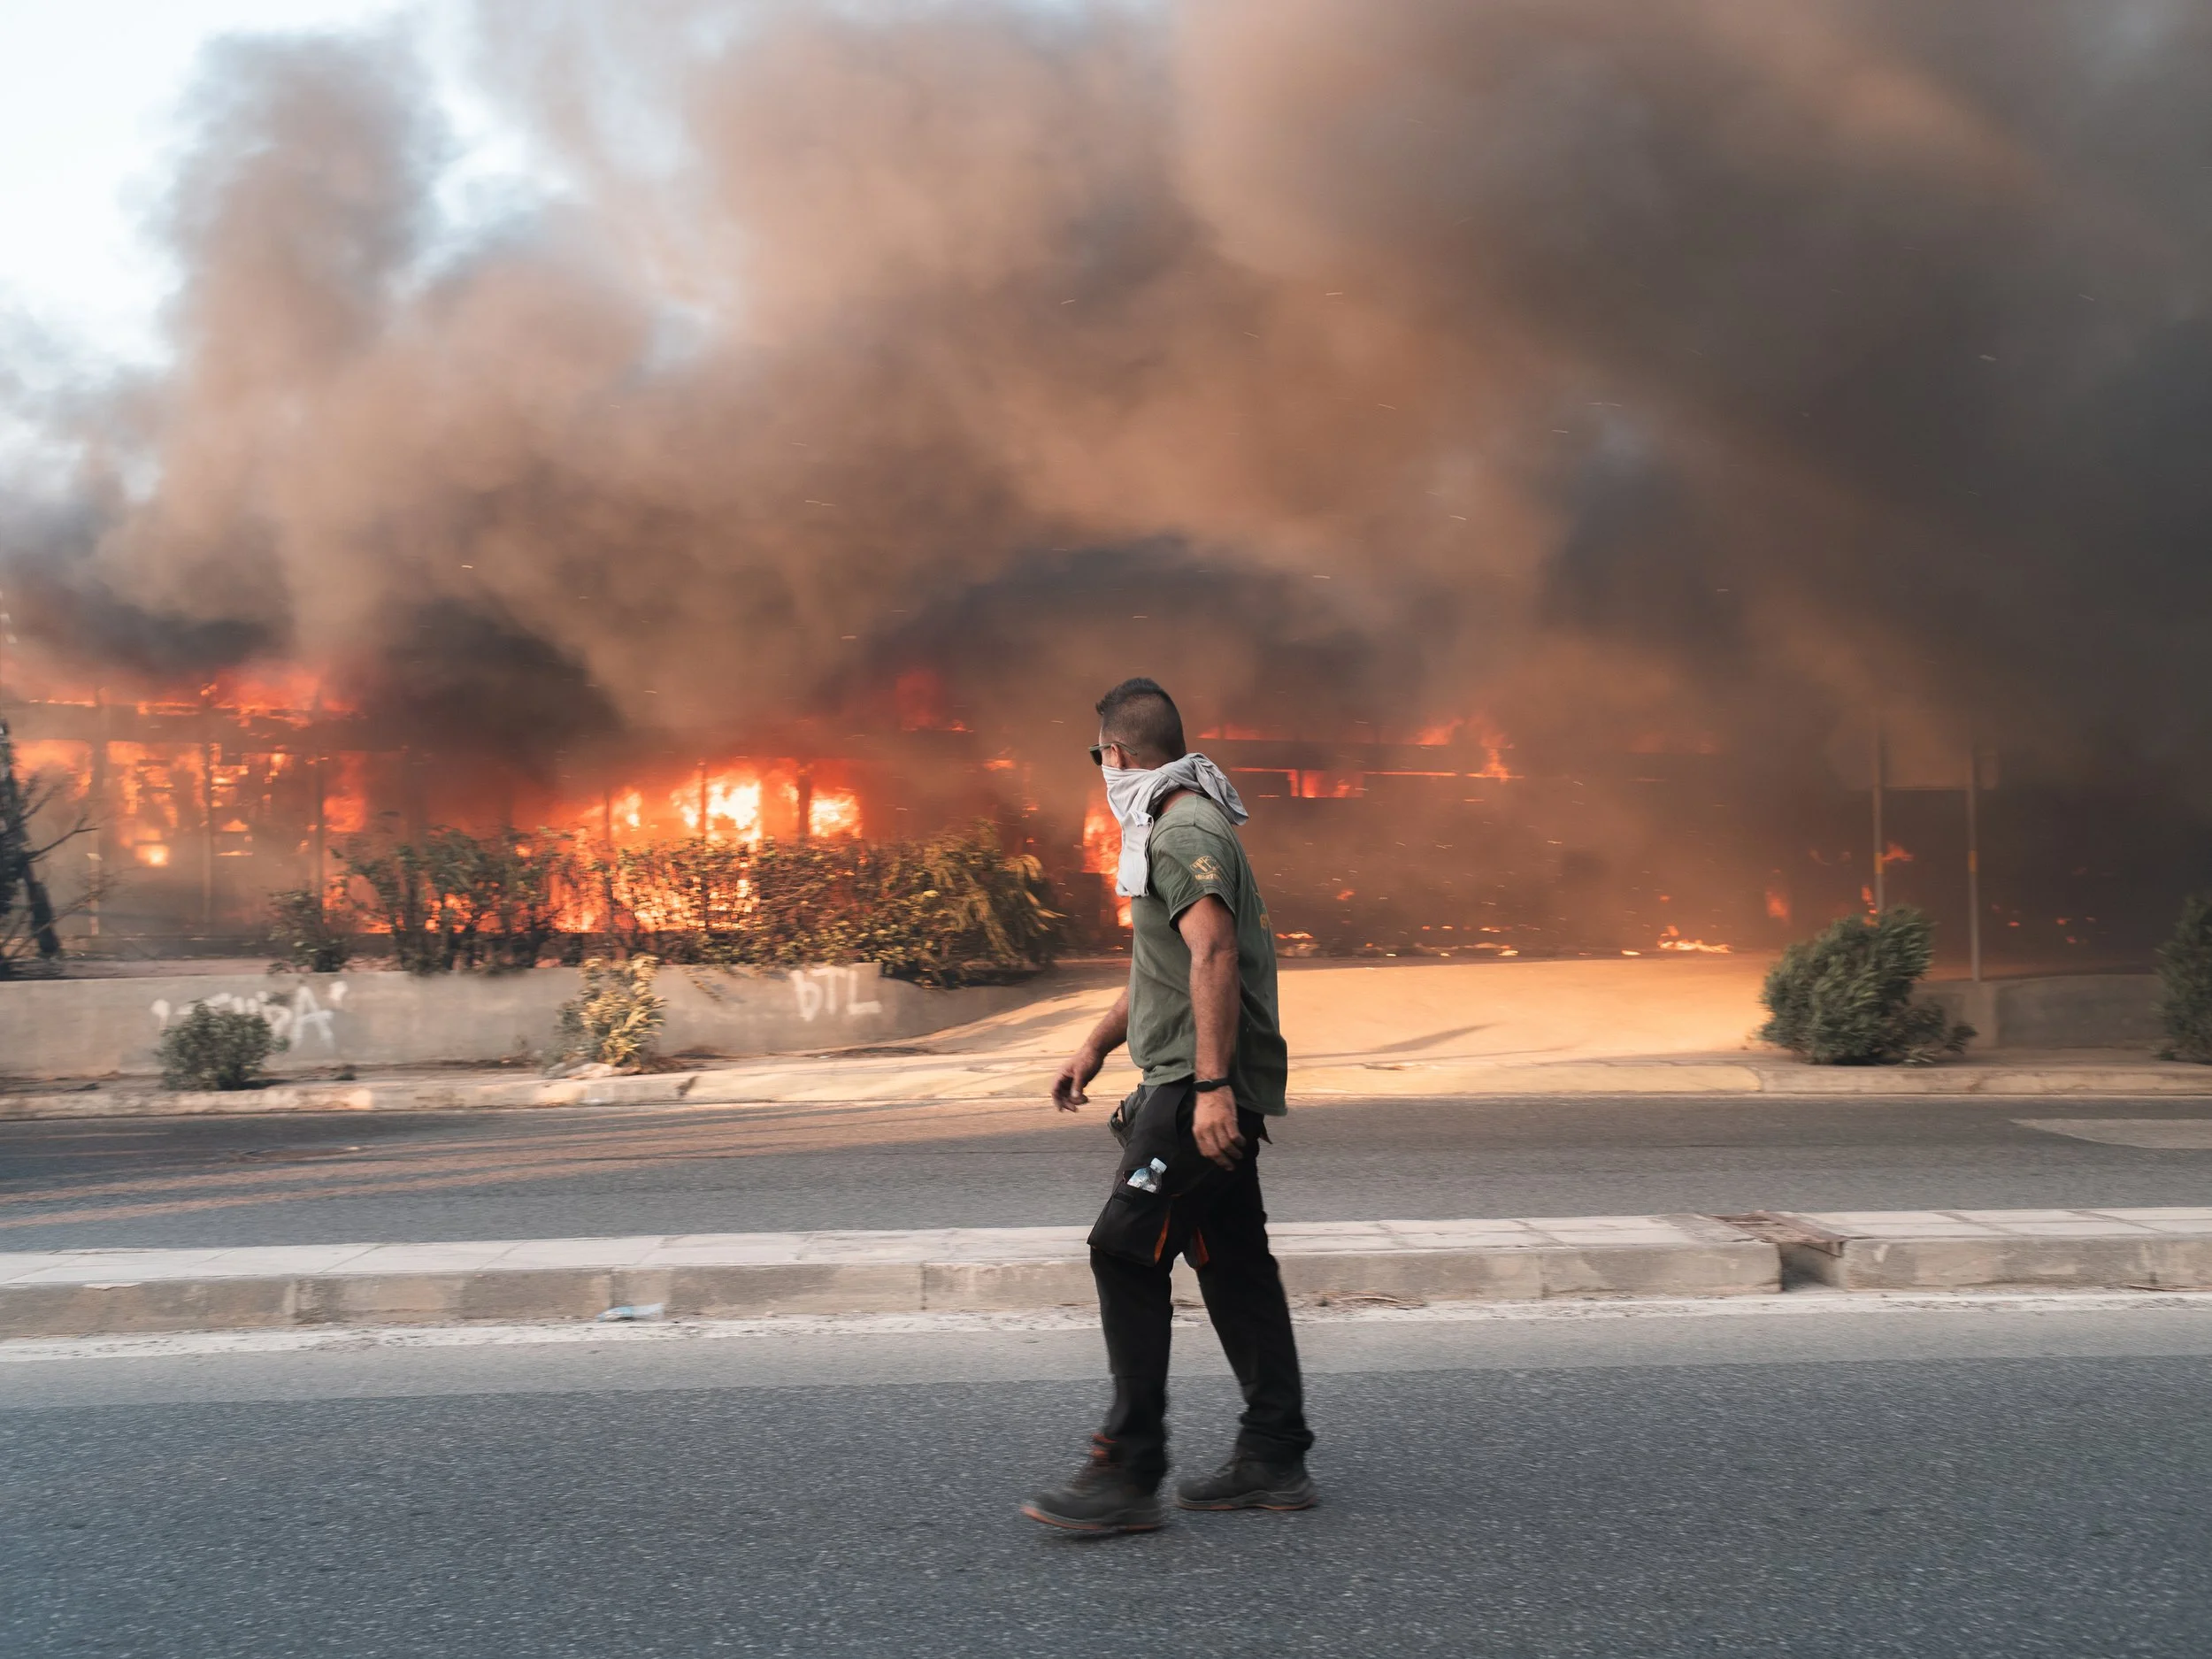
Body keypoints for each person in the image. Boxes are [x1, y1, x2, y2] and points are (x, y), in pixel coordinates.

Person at [1022, 677, 1315, 1533]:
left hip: (1194, 1086)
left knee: (1123, 1250)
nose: (1099, 769)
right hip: (1189, 1075)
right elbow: (1164, 966)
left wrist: (1215, 1090)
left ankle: (1129, 1468)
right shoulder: (1172, 820)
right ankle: (1274, 1454)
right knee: (1231, 1263)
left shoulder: (1183, 827)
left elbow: (1214, 953)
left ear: (1115, 754)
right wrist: (1094, 1045)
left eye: (1097, 755)